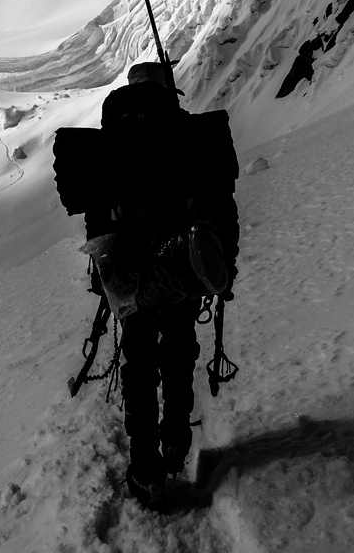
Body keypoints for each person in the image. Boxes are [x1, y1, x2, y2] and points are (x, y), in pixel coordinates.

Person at [93, 61, 239, 507]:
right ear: (166, 91)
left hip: (131, 274)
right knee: (178, 350)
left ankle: (145, 470)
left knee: (139, 360)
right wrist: (222, 268)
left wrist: (107, 276)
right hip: (183, 266)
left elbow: (95, 216)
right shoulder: (189, 133)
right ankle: (176, 441)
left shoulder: (112, 140)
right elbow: (221, 205)